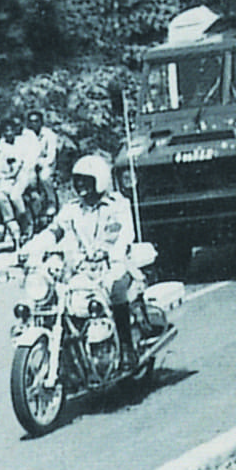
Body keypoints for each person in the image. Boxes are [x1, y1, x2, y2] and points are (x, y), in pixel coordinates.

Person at [36, 154, 147, 367]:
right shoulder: (71, 209)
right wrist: (29, 249)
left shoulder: (116, 205)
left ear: (99, 179)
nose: (80, 185)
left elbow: (121, 234)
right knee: (56, 297)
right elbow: (54, 231)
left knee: (115, 287)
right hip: (82, 268)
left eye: (85, 180)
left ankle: (126, 348)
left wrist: (111, 253)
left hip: (113, 264)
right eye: (77, 180)